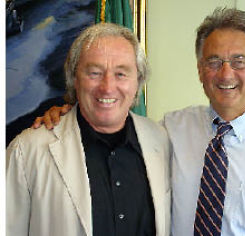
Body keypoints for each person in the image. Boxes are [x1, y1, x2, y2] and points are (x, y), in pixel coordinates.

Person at [31, 8, 245, 235]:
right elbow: (111, 119)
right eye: (214, 61)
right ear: (201, 70)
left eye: (239, 61)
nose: (226, 74)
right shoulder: (170, 130)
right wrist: (69, 114)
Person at [6, 22, 171, 236]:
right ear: (74, 78)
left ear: (138, 81)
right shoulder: (26, 150)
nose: (108, 87)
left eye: (121, 74)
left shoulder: (162, 140)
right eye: (94, 72)